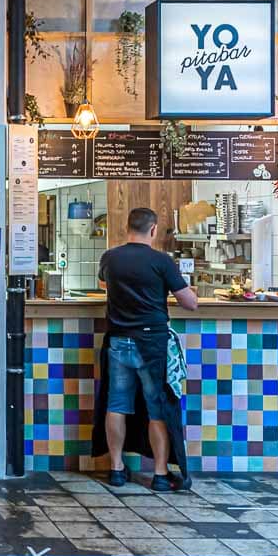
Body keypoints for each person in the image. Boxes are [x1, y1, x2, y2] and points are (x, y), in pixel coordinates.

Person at [97, 207, 197, 492]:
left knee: (116, 404)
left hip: (118, 340)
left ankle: (116, 469)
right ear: (153, 229)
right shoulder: (161, 261)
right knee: (157, 408)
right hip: (152, 343)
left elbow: (103, 283)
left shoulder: (110, 258)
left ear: (127, 227)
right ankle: (160, 474)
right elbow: (189, 303)